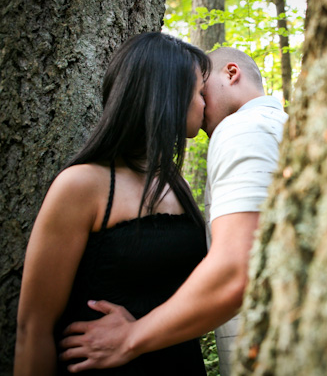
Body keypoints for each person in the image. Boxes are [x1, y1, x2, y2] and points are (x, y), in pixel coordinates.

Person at [58, 47, 288, 375]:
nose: (200, 104)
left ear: (231, 74)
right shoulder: (276, 126)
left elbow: (236, 270)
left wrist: (132, 336)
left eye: (199, 90)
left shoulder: (243, 130)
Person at [14, 32, 212, 375]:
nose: (205, 102)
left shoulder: (173, 183)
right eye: (199, 92)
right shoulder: (82, 185)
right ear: (170, 96)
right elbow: (33, 329)